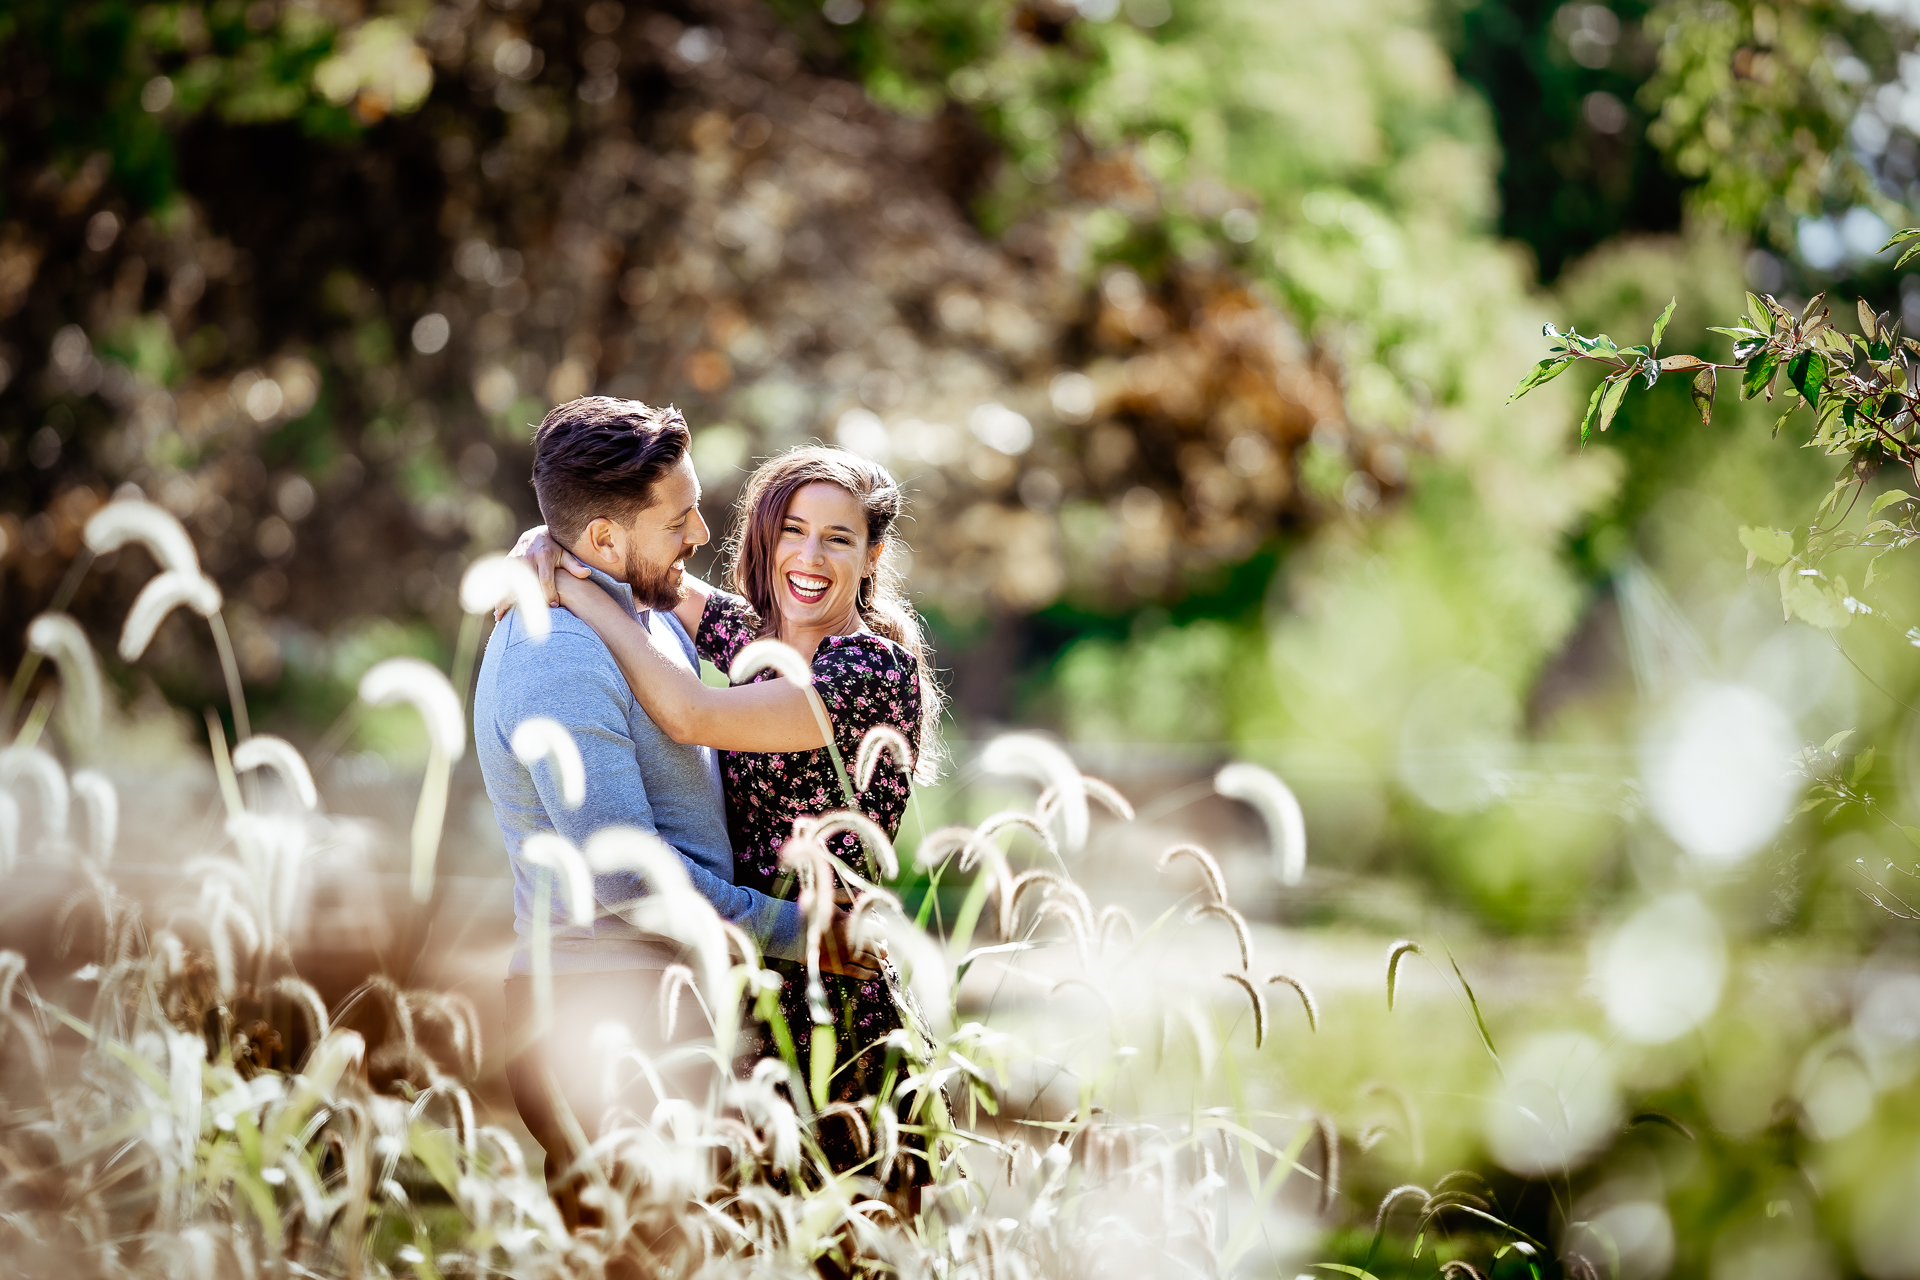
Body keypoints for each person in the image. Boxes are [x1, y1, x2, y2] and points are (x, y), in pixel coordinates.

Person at [471, 399, 879, 1227]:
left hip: (672, 1000)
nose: (700, 533)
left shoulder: (643, 613)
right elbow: (624, 875)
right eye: (678, 517)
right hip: (603, 1015)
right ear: (604, 542)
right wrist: (807, 936)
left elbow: (695, 699)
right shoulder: (557, 657)